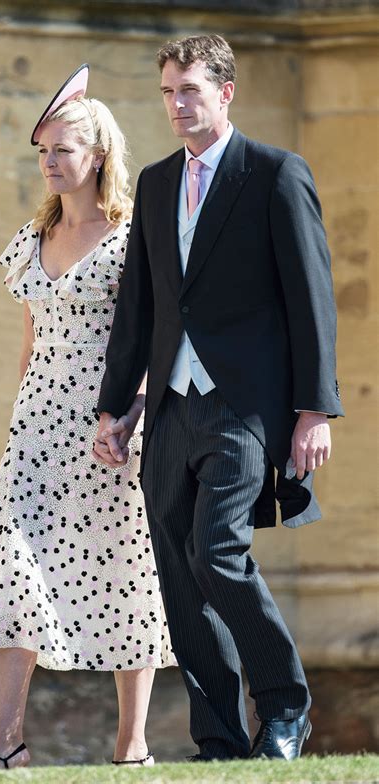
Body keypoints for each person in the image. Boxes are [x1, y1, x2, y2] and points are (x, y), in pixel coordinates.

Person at [93, 35, 344, 761]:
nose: (177, 105)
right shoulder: (157, 181)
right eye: (168, 91)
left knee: (217, 549)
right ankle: (221, 739)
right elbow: (140, 306)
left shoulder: (274, 173)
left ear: (225, 92)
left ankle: (285, 708)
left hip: (244, 406)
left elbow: (311, 298)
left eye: (190, 90)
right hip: (170, 405)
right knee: (178, 568)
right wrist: (116, 406)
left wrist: (314, 409)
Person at [0, 65, 174, 772]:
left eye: (61, 150)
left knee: (125, 571)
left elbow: (160, 332)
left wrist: (133, 411)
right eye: (42, 150)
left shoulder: (136, 233)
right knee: (8, 562)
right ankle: (3, 744)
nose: (48, 162)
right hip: (37, 428)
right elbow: (29, 341)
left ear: (97, 154)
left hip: (111, 426)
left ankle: (132, 747)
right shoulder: (31, 237)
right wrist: (18, 423)